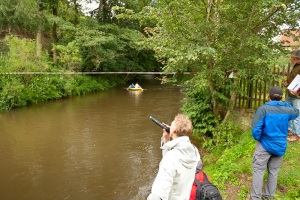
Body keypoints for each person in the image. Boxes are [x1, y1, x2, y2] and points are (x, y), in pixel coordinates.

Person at [250, 86, 299, 200]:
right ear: (281, 98)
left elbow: (255, 130)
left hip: (264, 145)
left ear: (268, 96)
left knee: (258, 171)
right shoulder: (286, 109)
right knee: (273, 172)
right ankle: (268, 197)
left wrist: (259, 138)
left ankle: (256, 197)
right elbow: (296, 112)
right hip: (280, 146)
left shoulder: (263, 109)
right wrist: (287, 101)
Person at [147, 114, 201, 200]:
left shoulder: (171, 158)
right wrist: (166, 140)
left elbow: (159, 195)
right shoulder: (193, 151)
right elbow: (173, 161)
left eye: (171, 125)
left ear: (174, 130)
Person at [285, 48, 300, 142]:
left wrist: (298, 92)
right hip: (289, 94)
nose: (290, 57)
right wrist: (287, 83)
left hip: (297, 97)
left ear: (295, 57)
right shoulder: (295, 65)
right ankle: (289, 129)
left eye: (291, 56)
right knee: (288, 112)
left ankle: (297, 134)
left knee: (297, 115)